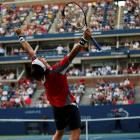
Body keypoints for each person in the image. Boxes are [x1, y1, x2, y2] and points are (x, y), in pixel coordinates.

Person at [15, 27, 91, 140]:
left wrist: (20, 36)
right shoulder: (57, 70)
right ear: (43, 66)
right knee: (76, 131)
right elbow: (72, 54)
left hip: (56, 107)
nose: (41, 58)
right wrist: (84, 39)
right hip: (68, 105)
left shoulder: (40, 73)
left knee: (59, 132)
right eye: (41, 60)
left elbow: (29, 51)